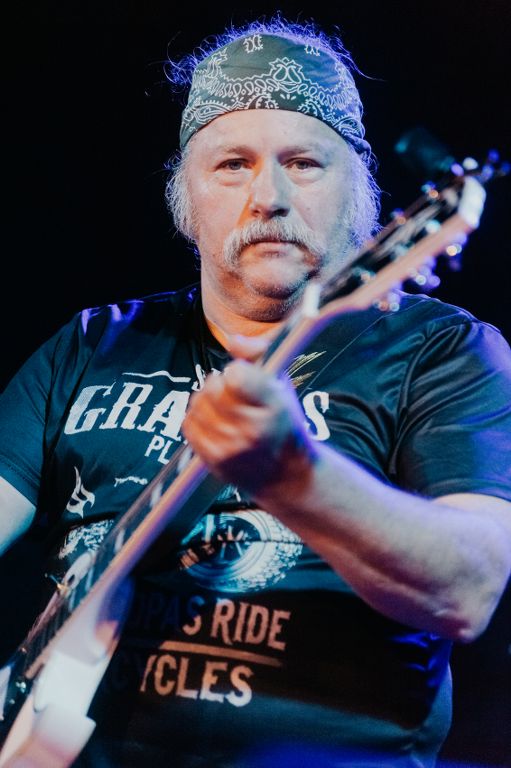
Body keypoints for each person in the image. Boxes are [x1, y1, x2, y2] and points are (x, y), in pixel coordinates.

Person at [1, 16, 511, 768]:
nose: (268, 195)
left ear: (361, 190)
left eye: (303, 163)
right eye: (231, 165)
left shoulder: (442, 350)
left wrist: (295, 474)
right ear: (185, 195)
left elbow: (468, 589)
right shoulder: (89, 345)